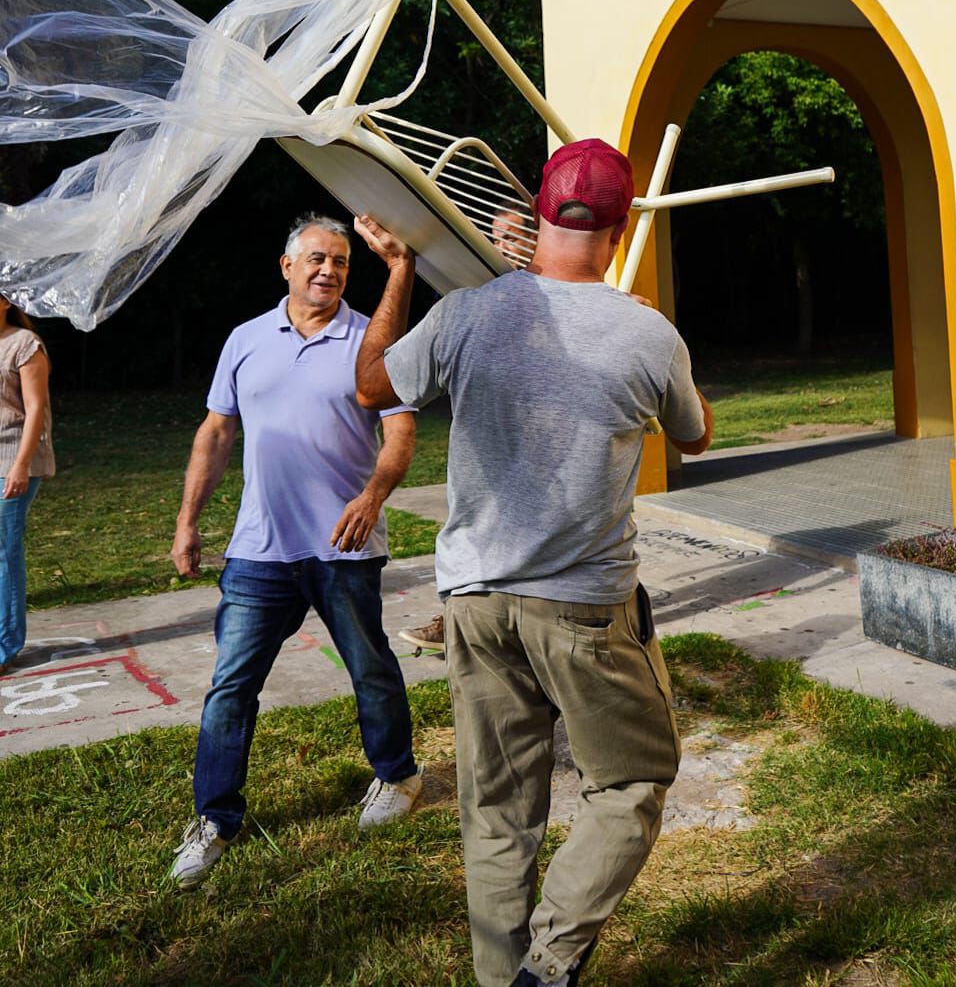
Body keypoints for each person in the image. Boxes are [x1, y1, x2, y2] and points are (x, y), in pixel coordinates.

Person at [354, 139, 714, 987]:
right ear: (621, 225)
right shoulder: (647, 331)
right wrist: (654, 338)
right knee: (628, 785)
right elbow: (695, 436)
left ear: (537, 213)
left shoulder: (468, 314)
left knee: (497, 812)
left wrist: (399, 273)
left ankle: (500, 977)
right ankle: (548, 968)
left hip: (473, 603)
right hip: (584, 608)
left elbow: (372, 385)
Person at [168, 213, 422, 892]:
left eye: (340, 261)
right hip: (259, 549)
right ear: (285, 266)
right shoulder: (246, 340)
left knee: (370, 669)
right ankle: (214, 820)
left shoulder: (371, 340)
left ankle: (397, 777)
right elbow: (217, 433)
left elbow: (399, 432)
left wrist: (372, 498)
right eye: (315, 258)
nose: (328, 270)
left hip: (344, 546)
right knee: (230, 685)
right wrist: (188, 521)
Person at [397, 199, 537, 656]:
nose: (501, 248)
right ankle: (459, 615)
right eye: (495, 238)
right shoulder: (469, 302)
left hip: (545, 449)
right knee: (477, 525)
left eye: (512, 236)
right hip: (489, 446)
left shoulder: (557, 295)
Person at [0, 294, 55, 674]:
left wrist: (20, 465)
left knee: (3, 551)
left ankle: (4, 645)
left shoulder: (24, 344)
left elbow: (35, 408)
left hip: (13, 460)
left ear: (5, 301)